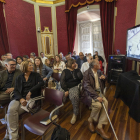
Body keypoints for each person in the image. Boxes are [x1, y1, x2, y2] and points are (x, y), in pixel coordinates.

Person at [3, 60, 44, 140]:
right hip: (19, 98)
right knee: (11, 109)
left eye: (32, 65)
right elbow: (16, 90)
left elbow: (42, 83)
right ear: (24, 67)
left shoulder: (36, 75)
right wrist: (21, 99)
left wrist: (30, 91)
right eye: (29, 65)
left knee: (9, 115)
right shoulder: (19, 77)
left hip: (31, 99)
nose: (32, 66)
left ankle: (11, 136)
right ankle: (13, 136)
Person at [82, 60, 110, 139]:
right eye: (98, 64)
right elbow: (87, 87)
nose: (100, 64)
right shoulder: (86, 73)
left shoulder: (99, 72)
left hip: (99, 92)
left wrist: (104, 77)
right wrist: (96, 97)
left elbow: (105, 77)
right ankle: (90, 120)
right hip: (89, 94)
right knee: (98, 105)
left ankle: (100, 126)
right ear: (94, 66)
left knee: (106, 103)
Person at [60, 59, 83, 124]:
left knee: (74, 97)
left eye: (75, 62)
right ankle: (56, 112)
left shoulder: (77, 70)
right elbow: (62, 81)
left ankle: (75, 114)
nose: (75, 64)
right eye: (73, 63)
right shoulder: (65, 71)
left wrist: (77, 69)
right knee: (60, 95)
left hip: (75, 86)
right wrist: (66, 90)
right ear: (70, 64)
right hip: (66, 86)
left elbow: (80, 77)